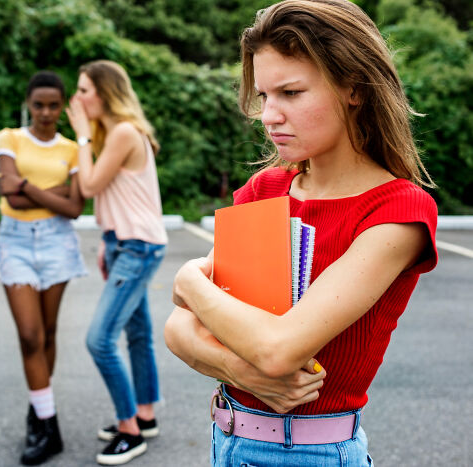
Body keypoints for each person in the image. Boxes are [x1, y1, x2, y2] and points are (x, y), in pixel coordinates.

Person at [165, 0, 439, 465]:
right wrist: (239, 371)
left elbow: (277, 350)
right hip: (225, 441)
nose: (269, 115)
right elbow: (178, 330)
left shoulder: (398, 211)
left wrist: (188, 281)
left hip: (313, 452)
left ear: (353, 88)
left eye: (290, 93)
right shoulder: (265, 188)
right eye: (265, 96)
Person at [66, 60, 168, 466]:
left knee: (99, 339)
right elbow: (114, 198)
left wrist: (80, 137)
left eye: (84, 90)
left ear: (105, 93)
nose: (77, 99)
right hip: (126, 244)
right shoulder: (116, 132)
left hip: (138, 248)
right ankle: (144, 416)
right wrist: (107, 241)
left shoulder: (123, 132)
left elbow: (90, 185)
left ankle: (129, 431)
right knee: (138, 334)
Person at [0, 71, 87, 465]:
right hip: (15, 242)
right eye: (38, 105)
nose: (45, 112)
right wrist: (55, 193)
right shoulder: (8, 137)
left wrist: (27, 186)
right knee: (30, 336)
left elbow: (76, 207)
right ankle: (50, 426)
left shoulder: (72, 148)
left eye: (53, 105)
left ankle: (37, 408)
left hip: (57, 242)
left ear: (63, 106)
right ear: (28, 104)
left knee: (48, 332)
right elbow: (8, 196)